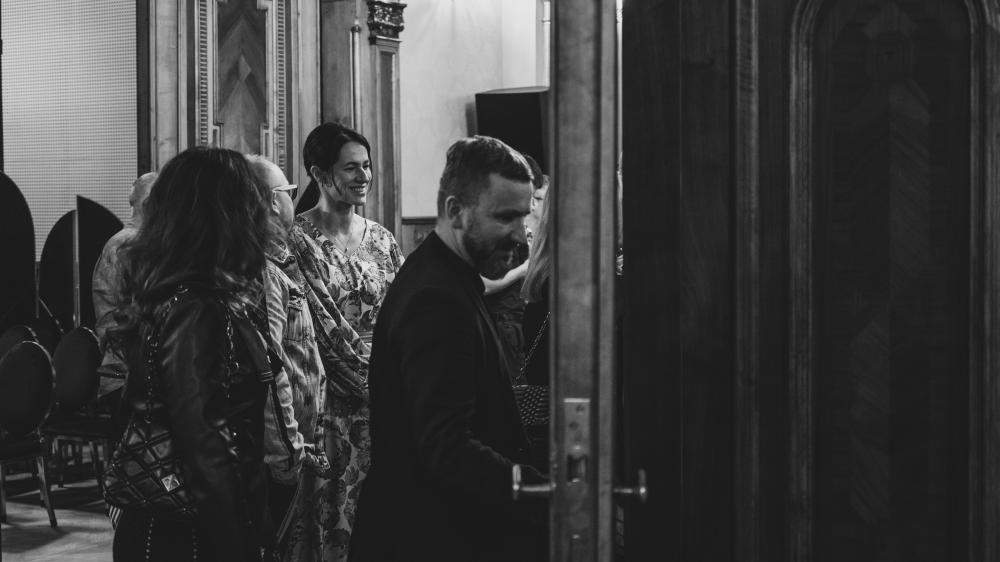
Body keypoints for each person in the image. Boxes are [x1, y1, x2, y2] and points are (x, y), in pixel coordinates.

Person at [349, 136, 546, 562]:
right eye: (505, 217)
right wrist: (541, 490)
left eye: (524, 216)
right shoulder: (436, 299)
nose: (521, 235)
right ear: (456, 211)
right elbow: (446, 446)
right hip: (428, 537)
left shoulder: (445, 275)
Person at [109, 147, 275, 561]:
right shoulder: (197, 307)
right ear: (228, 216)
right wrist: (240, 546)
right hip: (188, 534)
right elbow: (206, 447)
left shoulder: (179, 295)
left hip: (179, 525)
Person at [284, 123, 403, 561]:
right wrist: (384, 382)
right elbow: (322, 330)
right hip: (330, 404)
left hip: (387, 403)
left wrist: (401, 380)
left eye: (367, 166)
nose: (364, 176)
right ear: (319, 173)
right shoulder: (297, 240)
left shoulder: (383, 239)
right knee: (333, 517)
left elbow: (401, 316)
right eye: (351, 167)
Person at [246, 154, 319, 537]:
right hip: (277, 458)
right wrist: (287, 459)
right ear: (274, 201)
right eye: (289, 191)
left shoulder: (278, 262)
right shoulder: (264, 273)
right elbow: (271, 373)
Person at [92, 171, 157, 398]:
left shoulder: (126, 243)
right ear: (151, 203)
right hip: (125, 376)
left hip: (124, 373)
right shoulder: (130, 246)